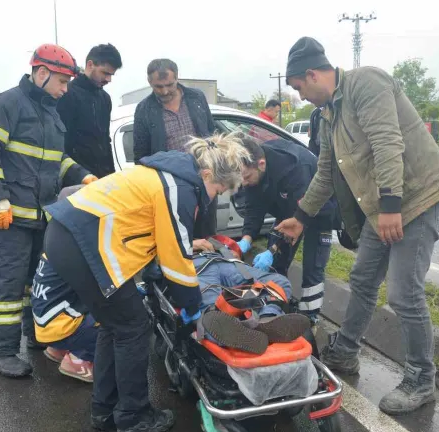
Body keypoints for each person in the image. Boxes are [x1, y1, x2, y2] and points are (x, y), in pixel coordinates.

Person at [274, 37, 439, 415]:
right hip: (384, 205)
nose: (300, 96)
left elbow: (387, 142)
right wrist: (302, 217)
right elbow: (326, 170)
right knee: (361, 279)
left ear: (312, 74)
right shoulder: (329, 113)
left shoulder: (366, 83)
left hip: (417, 197)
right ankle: (345, 351)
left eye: (298, 88)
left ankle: (422, 379)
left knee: (404, 293)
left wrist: (392, 204)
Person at [40, 133, 251, 432]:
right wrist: (191, 310)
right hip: (84, 244)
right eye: (218, 189)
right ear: (206, 175)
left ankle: (105, 408)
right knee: (133, 327)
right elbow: (177, 258)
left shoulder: (165, 175)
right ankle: (134, 416)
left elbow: (151, 237)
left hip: (68, 237)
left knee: (114, 326)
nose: (215, 197)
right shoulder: (179, 188)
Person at [0, 43, 96, 378]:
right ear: (42, 73)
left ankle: (35, 336)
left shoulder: (50, 113)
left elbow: (58, 160)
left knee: (32, 281)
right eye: (62, 81)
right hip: (10, 215)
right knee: (8, 285)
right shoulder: (7, 104)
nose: (65, 88)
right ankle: (0, 352)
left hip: (40, 215)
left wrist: (82, 175)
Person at [237, 136, 336, 321]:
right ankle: (274, 308)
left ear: (261, 164)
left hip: (319, 212)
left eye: (247, 177)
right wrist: (246, 240)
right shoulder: (253, 168)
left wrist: (273, 248)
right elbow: (253, 210)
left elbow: (297, 222)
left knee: (313, 268)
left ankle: (308, 318)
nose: (244, 183)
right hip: (288, 212)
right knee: (276, 264)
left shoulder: (295, 169)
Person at [132, 58, 218, 236]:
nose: (164, 91)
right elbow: (140, 155)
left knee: (206, 234)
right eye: (158, 86)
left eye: (169, 85)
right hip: (171, 186)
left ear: (177, 78)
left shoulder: (197, 98)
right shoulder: (144, 109)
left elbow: (211, 134)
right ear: (149, 82)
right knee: (178, 236)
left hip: (203, 178)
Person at [57, 44, 123, 178]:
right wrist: (76, 176)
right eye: (105, 73)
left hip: (103, 178)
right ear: (90, 64)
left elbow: (105, 140)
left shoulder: (105, 99)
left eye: (111, 75)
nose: (108, 79)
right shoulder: (67, 94)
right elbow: (61, 144)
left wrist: (111, 175)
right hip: (77, 179)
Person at [31, 253, 99, 383]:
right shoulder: (84, 251)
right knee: (117, 317)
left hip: (47, 325)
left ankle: (58, 349)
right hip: (59, 328)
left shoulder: (58, 244)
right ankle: (79, 360)